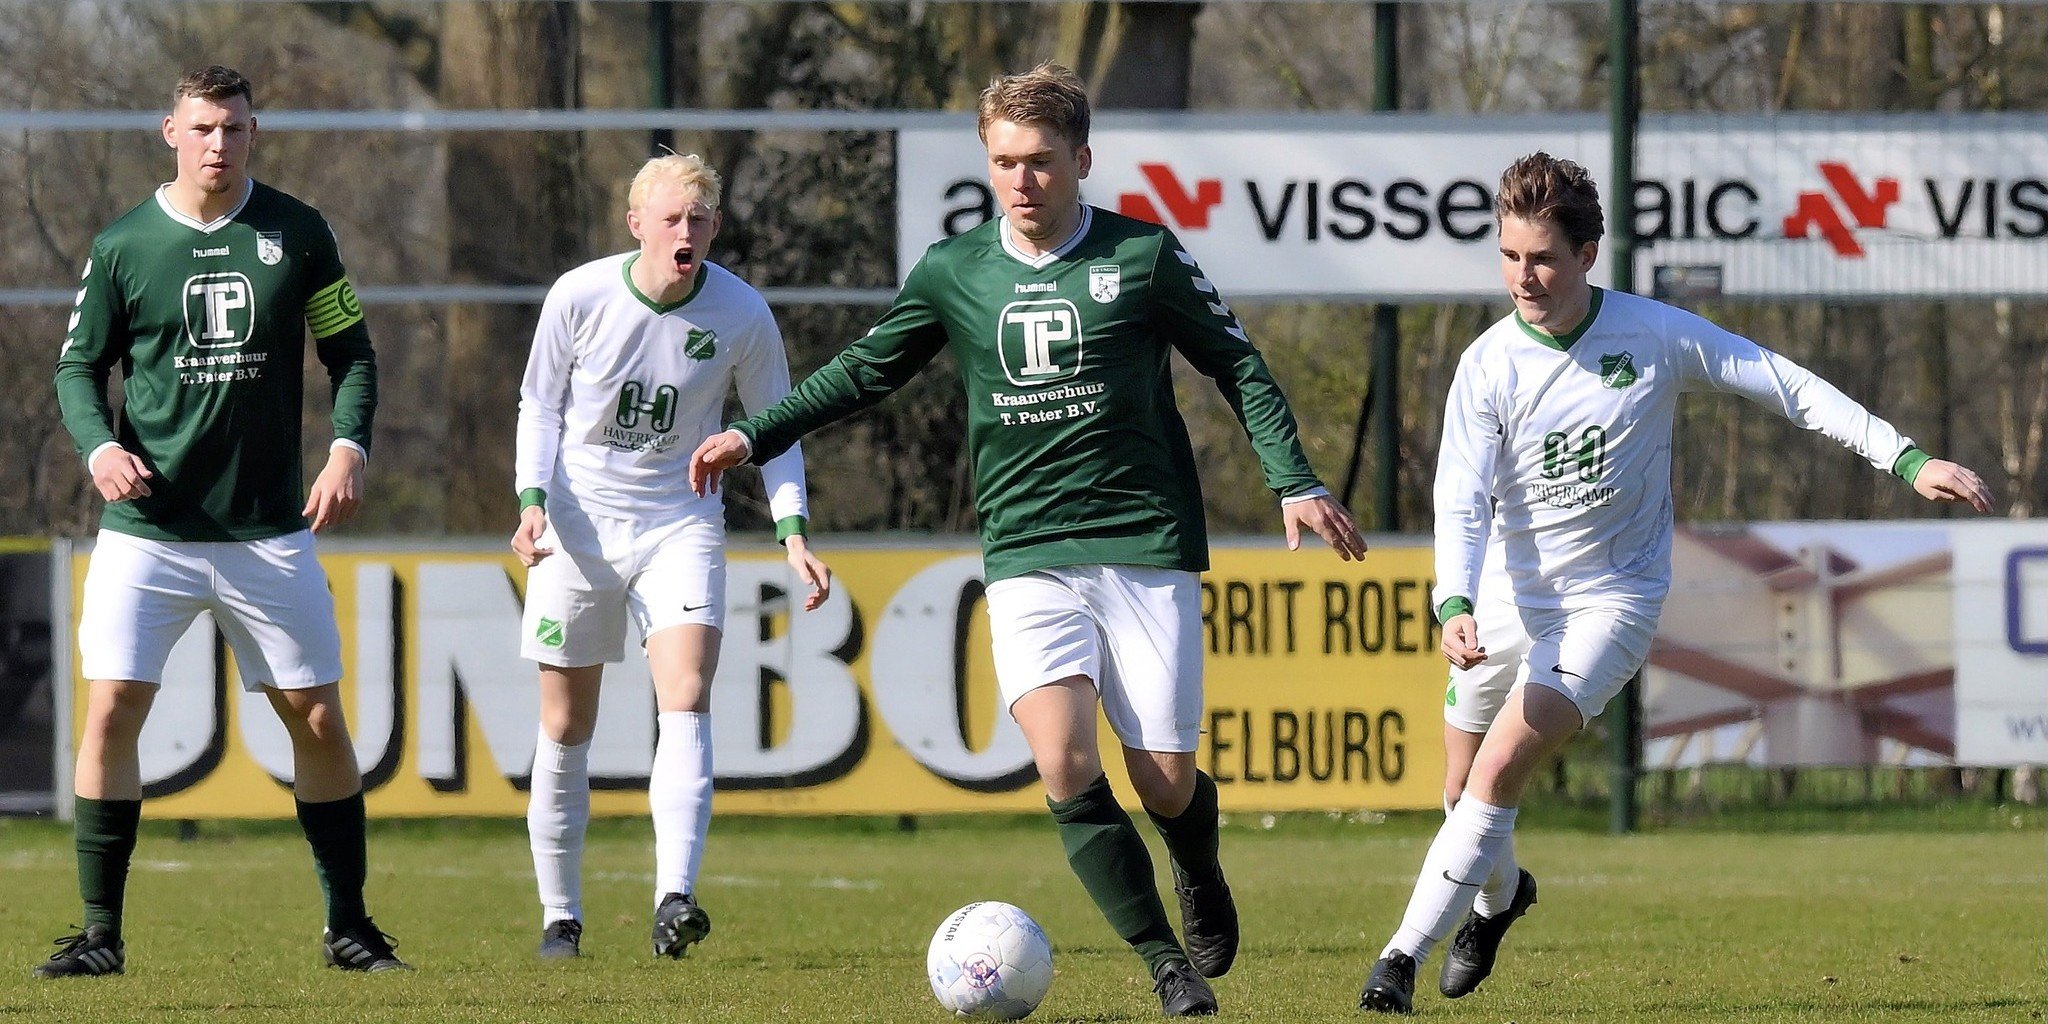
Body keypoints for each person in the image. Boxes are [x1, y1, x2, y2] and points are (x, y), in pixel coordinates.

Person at [690, 62, 1367, 1017]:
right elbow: (865, 370)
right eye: (1005, 162)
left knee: (1165, 780)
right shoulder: (954, 271)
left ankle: (1197, 864)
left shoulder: (1142, 257)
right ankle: (1166, 965)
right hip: (1026, 551)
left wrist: (1293, 479)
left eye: (1041, 162)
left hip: (1143, 539)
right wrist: (755, 432)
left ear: (1081, 160)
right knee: (1063, 762)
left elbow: (1239, 365)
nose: (1022, 181)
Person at [1356, 151, 1995, 1014]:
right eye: (1509, 257)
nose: (1524, 277)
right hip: (1506, 596)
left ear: (1587, 253)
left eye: (1542, 257)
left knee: (1501, 764)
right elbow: (1460, 498)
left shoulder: (1656, 335)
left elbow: (1787, 387)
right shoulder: (1487, 365)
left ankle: (1395, 963)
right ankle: (1501, 900)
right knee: (1460, 787)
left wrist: (1905, 456)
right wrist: (1457, 601)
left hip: (1612, 600)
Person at [43, 65, 402, 977]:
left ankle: (350, 928)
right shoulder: (126, 244)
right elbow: (78, 369)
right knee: (112, 711)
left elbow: (350, 352)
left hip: (268, 532)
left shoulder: (299, 231)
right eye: (202, 127)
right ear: (170, 130)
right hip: (149, 532)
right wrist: (97, 448)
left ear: (254, 132)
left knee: (317, 718)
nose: (218, 143)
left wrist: (348, 446)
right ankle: (99, 934)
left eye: (234, 128)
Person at [512, 152, 831, 962]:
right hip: (578, 531)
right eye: (670, 218)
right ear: (637, 225)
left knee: (685, 694)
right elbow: (539, 404)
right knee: (565, 722)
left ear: (715, 227)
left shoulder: (742, 313)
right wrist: (531, 502)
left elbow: (777, 426)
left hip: (680, 523)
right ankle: (560, 916)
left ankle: (674, 898)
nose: (684, 232)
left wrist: (793, 532)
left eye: (699, 219)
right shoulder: (579, 295)